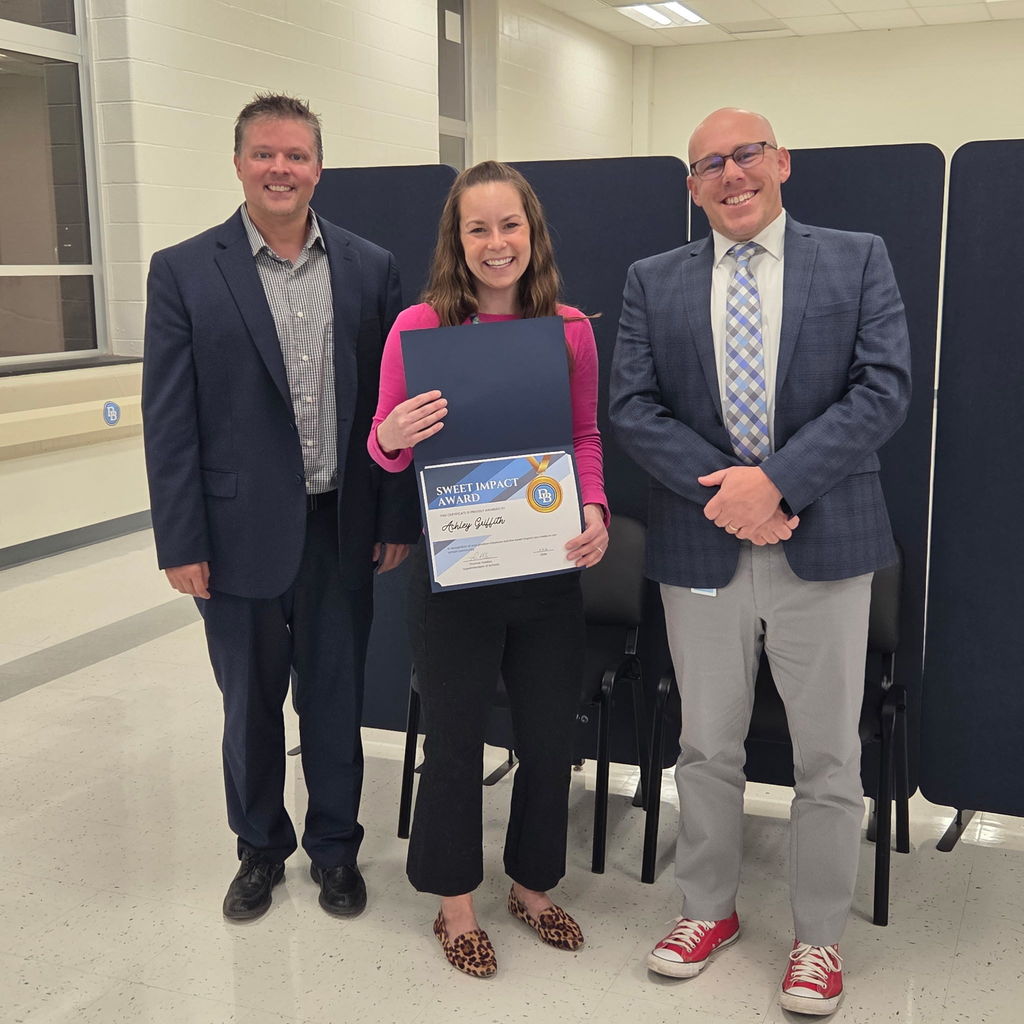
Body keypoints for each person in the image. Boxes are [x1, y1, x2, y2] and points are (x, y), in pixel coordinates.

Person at [609, 108, 911, 1015]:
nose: (731, 174)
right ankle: (708, 910)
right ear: (693, 185)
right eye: (709, 164)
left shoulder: (857, 257)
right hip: (701, 542)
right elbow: (631, 405)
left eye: (746, 154)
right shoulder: (651, 280)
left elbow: (884, 387)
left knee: (827, 756)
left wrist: (777, 485)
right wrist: (730, 495)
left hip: (823, 540)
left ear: (781, 161)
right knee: (706, 744)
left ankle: (818, 938)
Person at [141, 93, 419, 923]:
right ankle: (259, 848)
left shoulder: (370, 267)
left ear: (319, 168)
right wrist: (180, 538)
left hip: (342, 525)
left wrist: (394, 516)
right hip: (232, 537)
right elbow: (169, 419)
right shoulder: (185, 269)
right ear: (237, 164)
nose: (280, 169)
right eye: (264, 153)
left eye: (296, 155)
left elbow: (391, 404)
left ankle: (336, 851)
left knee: (335, 699)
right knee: (251, 704)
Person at [368, 160, 609, 978]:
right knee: (455, 742)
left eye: (511, 225)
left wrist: (598, 510)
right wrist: (393, 433)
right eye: (479, 227)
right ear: (456, 239)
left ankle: (532, 887)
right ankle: (454, 903)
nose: (496, 242)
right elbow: (385, 451)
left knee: (547, 738)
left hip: (545, 569)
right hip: (453, 570)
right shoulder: (417, 328)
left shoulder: (569, 327)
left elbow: (583, 438)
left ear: (532, 233)